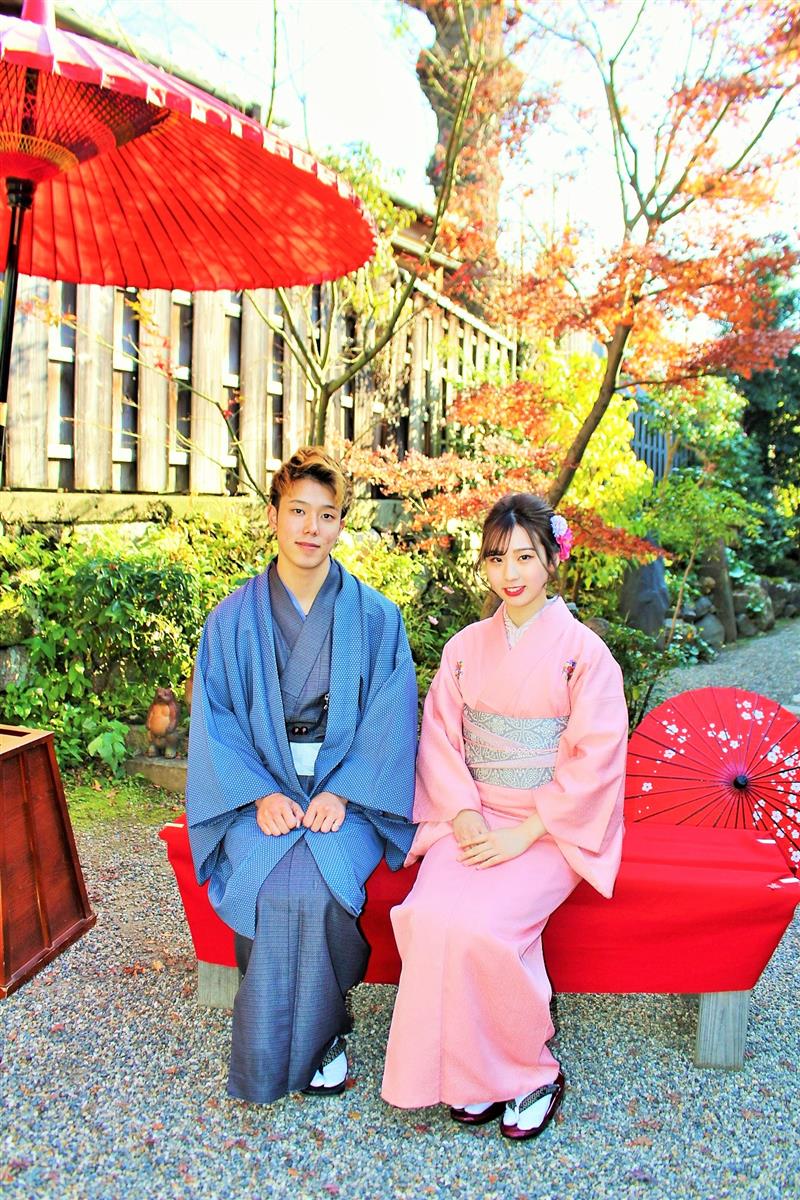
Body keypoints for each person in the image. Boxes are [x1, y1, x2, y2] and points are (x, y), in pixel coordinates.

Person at [381, 493, 627, 1140]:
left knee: (486, 930)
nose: (509, 573)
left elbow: (596, 758)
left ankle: (530, 1072)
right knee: (429, 917)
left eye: (524, 557)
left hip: (547, 828)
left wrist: (525, 832)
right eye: (496, 558)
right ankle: (470, 1074)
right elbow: (440, 738)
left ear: (552, 559)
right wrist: (462, 813)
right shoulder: (465, 648)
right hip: (471, 815)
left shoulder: (584, 655)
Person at [186, 447, 418, 1105]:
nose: (311, 528)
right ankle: (323, 1034)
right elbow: (216, 719)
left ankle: (319, 1036)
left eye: (326, 514)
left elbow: (392, 715)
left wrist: (344, 790)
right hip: (256, 789)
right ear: (273, 516)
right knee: (267, 884)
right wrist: (259, 793)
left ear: (342, 523)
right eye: (297, 512)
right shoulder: (231, 620)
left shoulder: (377, 618)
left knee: (320, 884)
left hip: (350, 792)